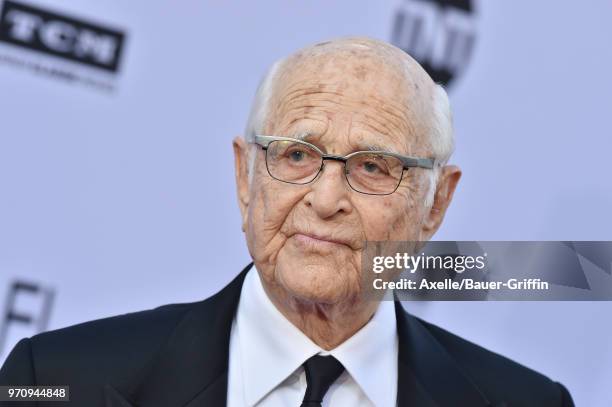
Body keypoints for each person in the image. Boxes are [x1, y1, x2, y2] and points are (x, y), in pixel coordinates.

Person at [0, 37, 573, 407]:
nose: (325, 199)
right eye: (296, 154)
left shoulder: (526, 402)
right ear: (246, 175)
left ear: (436, 205)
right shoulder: (53, 380)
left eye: (373, 166)